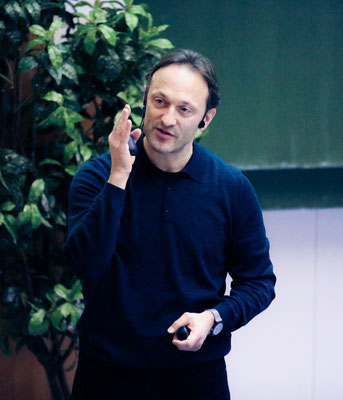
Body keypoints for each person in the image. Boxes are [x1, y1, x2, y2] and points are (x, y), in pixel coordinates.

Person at [65, 48, 276, 400]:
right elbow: (84, 265)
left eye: (184, 109)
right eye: (159, 102)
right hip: (106, 375)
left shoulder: (230, 188)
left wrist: (213, 318)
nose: (167, 118)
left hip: (195, 377)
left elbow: (258, 282)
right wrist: (119, 175)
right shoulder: (98, 176)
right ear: (145, 100)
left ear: (205, 119)